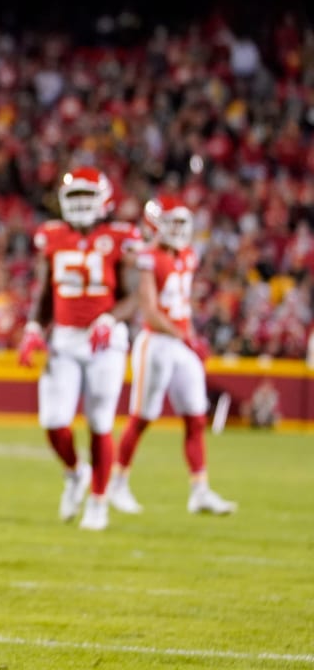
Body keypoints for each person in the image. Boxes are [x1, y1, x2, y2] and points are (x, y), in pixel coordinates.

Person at [18, 167, 141, 532]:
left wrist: (110, 319)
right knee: (54, 422)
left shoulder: (120, 237)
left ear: (104, 199)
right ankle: (75, 474)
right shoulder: (52, 236)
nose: (82, 204)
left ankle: (99, 502)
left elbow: (134, 293)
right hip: (65, 339)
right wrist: (33, 327)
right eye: (74, 197)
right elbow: (43, 291)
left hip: (105, 340)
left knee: (100, 422)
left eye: (88, 196)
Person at [108, 196, 236, 516]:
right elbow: (150, 312)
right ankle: (117, 483)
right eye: (172, 223)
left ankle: (200, 491)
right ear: (155, 225)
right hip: (156, 343)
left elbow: (183, 306)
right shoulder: (148, 258)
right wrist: (187, 337)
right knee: (143, 417)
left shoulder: (188, 255)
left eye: (182, 222)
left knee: (195, 417)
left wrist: (188, 336)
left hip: (180, 343)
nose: (179, 229)